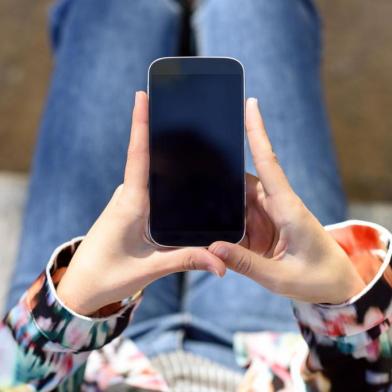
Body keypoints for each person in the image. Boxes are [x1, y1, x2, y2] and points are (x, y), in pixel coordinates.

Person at [1, 1, 391, 391]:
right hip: (275, 349)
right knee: (259, 10)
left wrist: (70, 308)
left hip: (97, 359)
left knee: (117, 11)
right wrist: (343, 299)